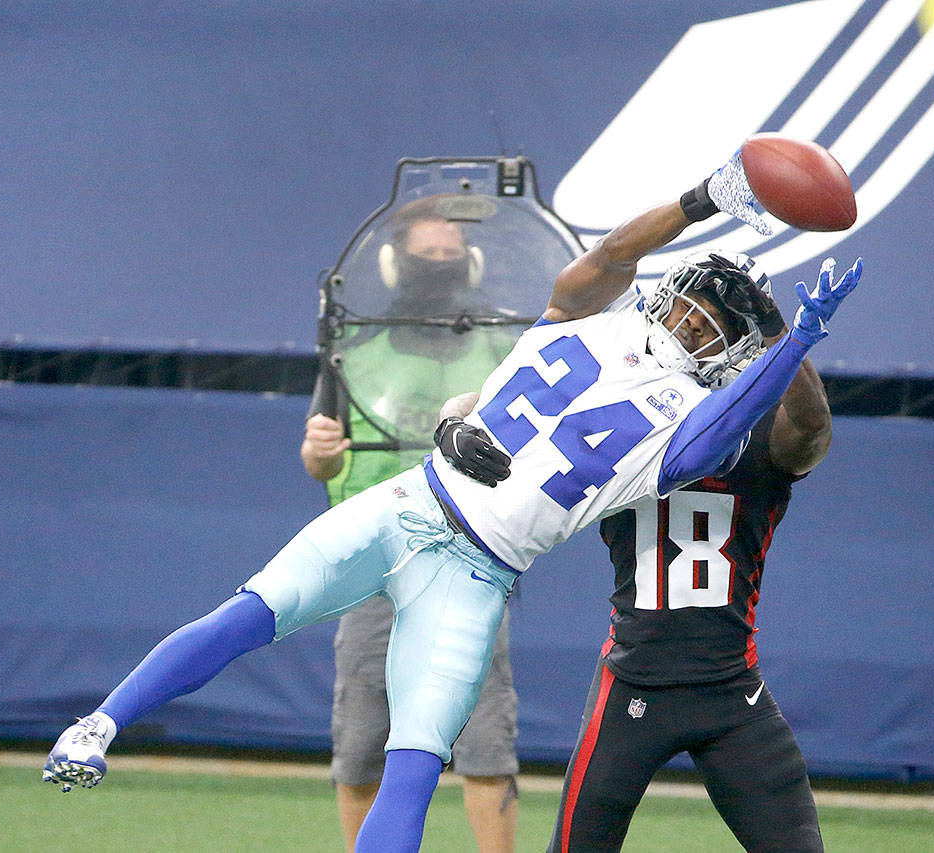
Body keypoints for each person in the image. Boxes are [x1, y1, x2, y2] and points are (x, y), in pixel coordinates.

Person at [42, 149, 862, 853]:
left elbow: (709, 413)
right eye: (689, 301)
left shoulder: (645, 377)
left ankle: (104, 722)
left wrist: (760, 289)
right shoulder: (629, 357)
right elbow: (618, 264)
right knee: (252, 612)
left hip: (469, 568)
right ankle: (102, 722)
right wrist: (739, 251)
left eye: (705, 318)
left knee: (411, 759)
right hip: (416, 505)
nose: (686, 316)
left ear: (726, 351)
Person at [441, 254, 834, 852]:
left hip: (731, 691)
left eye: (722, 317)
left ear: (745, 342)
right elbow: (493, 402)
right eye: (689, 306)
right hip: (632, 682)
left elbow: (810, 427)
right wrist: (450, 421)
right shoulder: (625, 399)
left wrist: (788, 332)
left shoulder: (763, 433)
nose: (696, 325)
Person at [302, 200, 520, 853]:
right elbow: (320, 455)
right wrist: (318, 453)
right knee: (364, 740)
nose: (440, 262)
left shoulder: (503, 352)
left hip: (471, 562)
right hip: (373, 565)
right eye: (427, 252)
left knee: (485, 742)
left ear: (471, 261)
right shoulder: (353, 355)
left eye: (448, 250)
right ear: (396, 263)